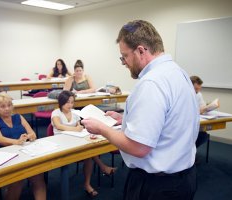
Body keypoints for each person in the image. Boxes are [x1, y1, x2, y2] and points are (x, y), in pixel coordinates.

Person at [82, 20, 199, 200]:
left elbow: (138, 147)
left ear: (141, 51)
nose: (123, 63)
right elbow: (170, 120)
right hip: (183, 178)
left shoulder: (151, 83)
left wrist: (101, 129)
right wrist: (127, 121)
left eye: (124, 56)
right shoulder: (177, 72)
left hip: (157, 187)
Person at [51, 90, 116, 197]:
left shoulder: (75, 113)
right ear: (61, 102)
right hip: (61, 141)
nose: (70, 105)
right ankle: (103, 167)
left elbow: (80, 127)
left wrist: (79, 129)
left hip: (74, 139)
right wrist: (75, 129)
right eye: (67, 102)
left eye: (72, 102)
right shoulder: (56, 112)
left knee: (89, 154)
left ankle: (87, 184)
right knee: (89, 152)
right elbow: (59, 126)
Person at [0, 92, 46, 200]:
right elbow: (0, 140)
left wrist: (29, 136)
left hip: (22, 152)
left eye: (9, 105)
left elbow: (32, 133)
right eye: (3, 106)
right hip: (2, 156)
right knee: (17, 179)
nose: (7, 109)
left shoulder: (18, 117)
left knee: (38, 176)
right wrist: (17, 141)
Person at [190, 75, 216, 148]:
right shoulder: (183, 94)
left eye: (199, 89)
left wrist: (208, 106)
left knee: (203, 136)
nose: (197, 92)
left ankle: (191, 151)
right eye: (195, 89)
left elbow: (202, 107)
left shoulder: (198, 94)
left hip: (196, 122)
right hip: (184, 124)